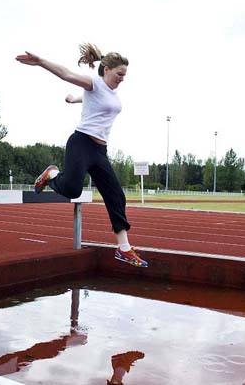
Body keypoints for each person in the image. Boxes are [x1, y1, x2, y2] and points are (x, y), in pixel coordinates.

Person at [16, 43, 147, 268]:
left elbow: (89, 100)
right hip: (81, 143)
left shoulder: (109, 94)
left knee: (116, 196)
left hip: (100, 151)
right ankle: (52, 174)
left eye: (125, 75)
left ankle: (124, 248)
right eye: (119, 74)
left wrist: (73, 100)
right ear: (106, 69)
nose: (122, 79)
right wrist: (41, 62)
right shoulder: (93, 83)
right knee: (73, 190)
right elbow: (66, 73)